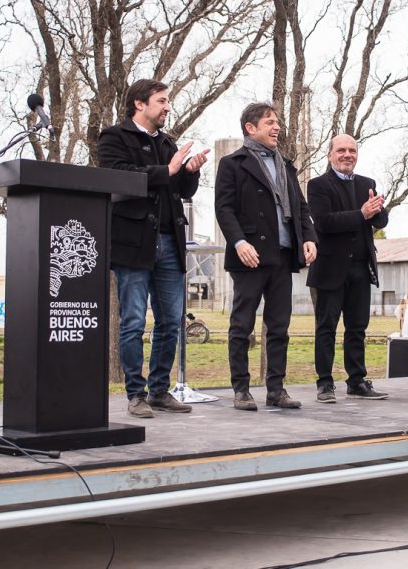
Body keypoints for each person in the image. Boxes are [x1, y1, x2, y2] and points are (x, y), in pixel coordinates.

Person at [97, 78, 209, 419]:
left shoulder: (166, 142)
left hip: (170, 242)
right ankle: (136, 394)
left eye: (167, 101)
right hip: (133, 243)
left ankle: (160, 391)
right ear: (139, 104)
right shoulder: (114, 137)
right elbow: (116, 176)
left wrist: (189, 172)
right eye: (161, 100)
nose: (167, 107)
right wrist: (167, 169)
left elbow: (180, 190)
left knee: (171, 321)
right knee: (133, 321)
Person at [215, 102, 318, 411]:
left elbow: (301, 207)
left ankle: (276, 390)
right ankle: (241, 390)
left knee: (279, 327)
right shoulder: (232, 163)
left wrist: (309, 237)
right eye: (270, 122)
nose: (277, 128)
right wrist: (239, 242)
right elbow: (224, 208)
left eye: (277, 122)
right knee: (241, 326)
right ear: (251, 128)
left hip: (282, 256)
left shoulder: (286, 165)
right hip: (250, 256)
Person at [305, 134, 389, 403]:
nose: (347, 155)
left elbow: (380, 222)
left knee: (357, 328)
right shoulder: (317, 185)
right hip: (330, 269)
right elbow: (323, 223)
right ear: (330, 155)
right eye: (341, 150)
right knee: (326, 328)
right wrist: (361, 214)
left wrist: (377, 210)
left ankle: (357, 381)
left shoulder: (367, 184)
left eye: (352, 150)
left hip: (361, 268)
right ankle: (325, 384)